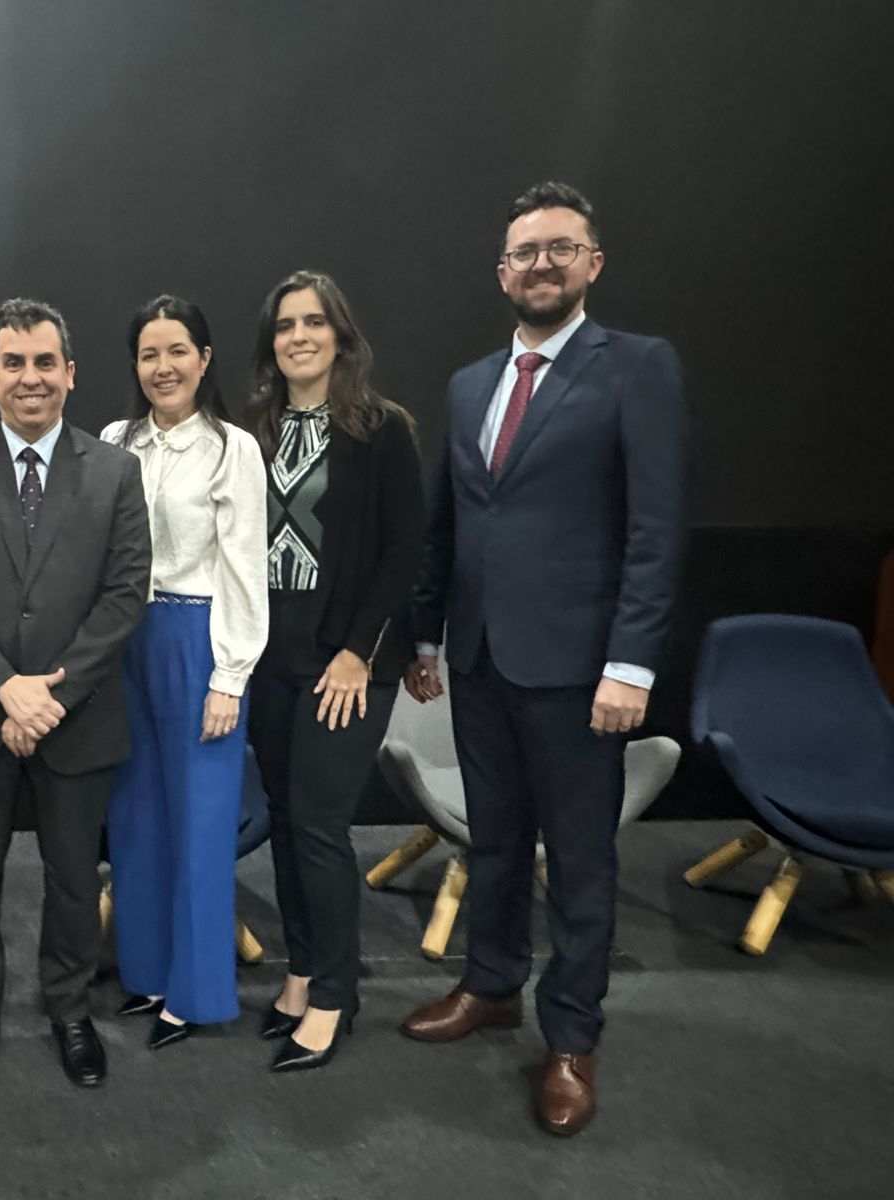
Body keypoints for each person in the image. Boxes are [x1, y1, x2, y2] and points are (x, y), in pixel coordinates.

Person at [400, 182, 689, 1136]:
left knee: (579, 863)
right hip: (479, 660)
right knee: (492, 843)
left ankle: (571, 1039)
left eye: (560, 249)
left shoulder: (638, 368)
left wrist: (632, 666)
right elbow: (448, 523)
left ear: (592, 262)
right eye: (524, 252)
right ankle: (489, 987)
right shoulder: (470, 384)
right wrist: (429, 634)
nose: (541, 265)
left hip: (578, 671)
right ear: (502, 272)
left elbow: (654, 532)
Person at [0, 298, 150, 1092]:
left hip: (76, 716)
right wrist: (7, 690)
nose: (31, 378)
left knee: (75, 880)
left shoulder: (117, 471)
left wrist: (52, 695)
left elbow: (125, 593)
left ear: (71, 375)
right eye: (14, 363)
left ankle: (69, 1010)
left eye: (46, 362)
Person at [244, 270, 425, 1072]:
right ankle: (302, 971)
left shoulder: (382, 429)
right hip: (271, 661)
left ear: (341, 336)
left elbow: (403, 553)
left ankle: (335, 997)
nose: (298, 337)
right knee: (284, 824)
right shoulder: (254, 427)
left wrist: (358, 652)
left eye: (314, 322)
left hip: (345, 665)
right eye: (285, 325)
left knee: (319, 826)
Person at [99, 295, 267, 1049]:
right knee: (135, 817)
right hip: (123, 640)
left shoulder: (233, 448)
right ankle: (148, 972)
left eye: (177, 351)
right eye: (148, 354)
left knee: (201, 823)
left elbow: (243, 568)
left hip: (199, 638)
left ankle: (197, 993)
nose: (162, 367)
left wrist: (230, 676)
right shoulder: (112, 442)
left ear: (204, 359)